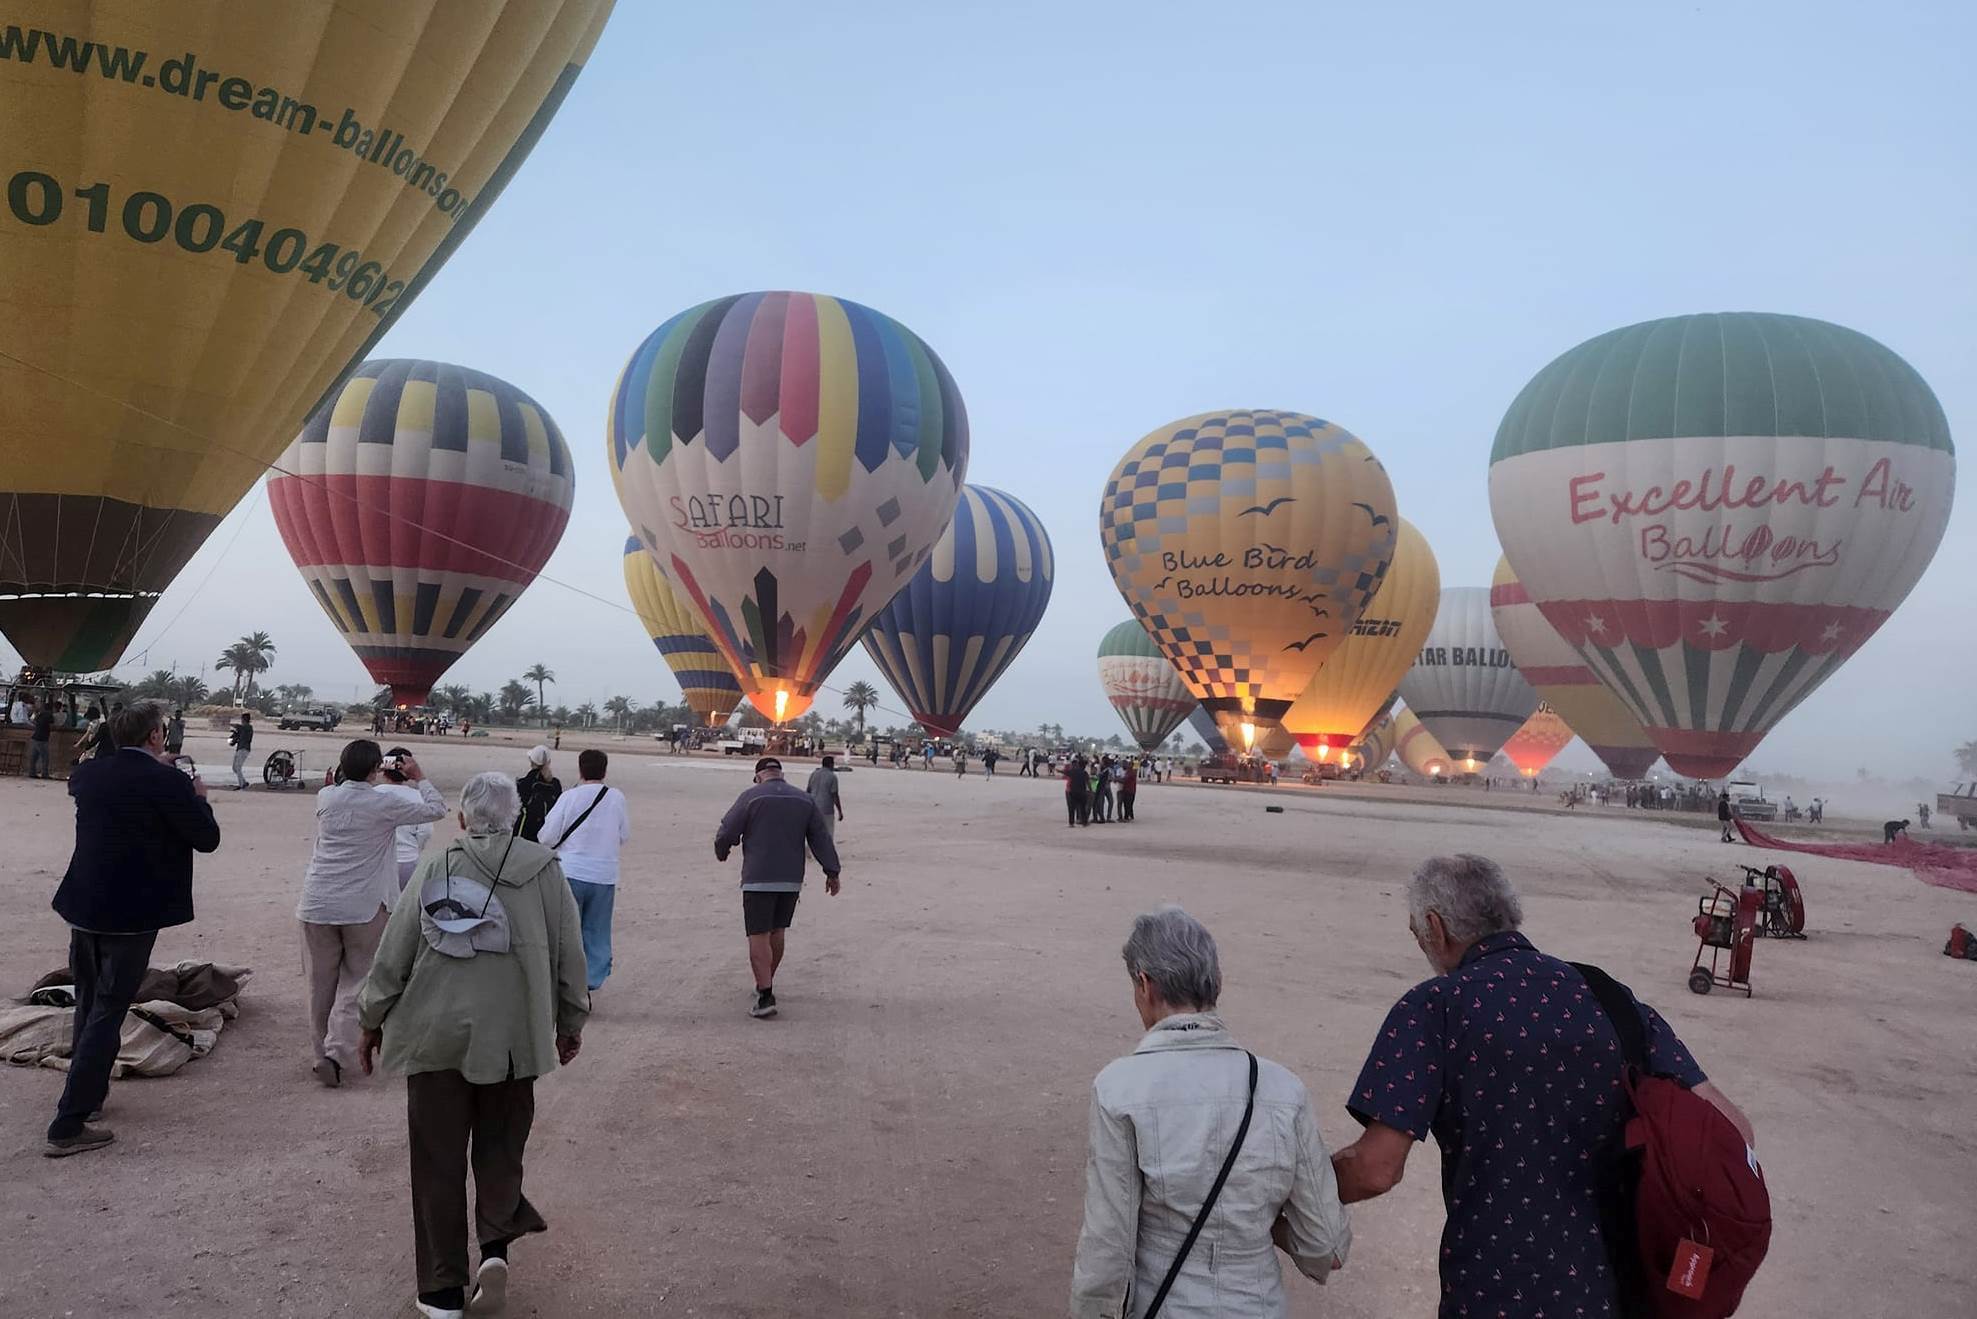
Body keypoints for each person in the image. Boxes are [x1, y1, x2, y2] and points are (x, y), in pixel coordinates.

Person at [1331, 854, 1752, 1318]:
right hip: (1622, 1293)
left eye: (1417, 932)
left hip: (1495, 1293)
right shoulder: (1610, 997)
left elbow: (1375, 1169)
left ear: (1435, 927)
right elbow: (1733, 1131)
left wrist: (1294, 1189)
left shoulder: (1436, 1007)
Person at [357, 772, 589, 1319]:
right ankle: (496, 1252)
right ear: (516, 819)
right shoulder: (547, 872)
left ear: (462, 819)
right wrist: (570, 1022)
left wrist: (371, 1019)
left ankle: (440, 1293)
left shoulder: (437, 864)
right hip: (513, 1041)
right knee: (501, 1151)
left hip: (435, 1038)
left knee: (437, 1162)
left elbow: (395, 954)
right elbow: (569, 955)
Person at [1071, 906, 1349, 1315]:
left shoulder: (1120, 1088)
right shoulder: (1282, 1089)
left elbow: (1108, 1244)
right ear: (1217, 982)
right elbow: (1326, 1246)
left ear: (1144, 984)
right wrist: (1256, 1222)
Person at [45, 702, 221, 1156]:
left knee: (88, 996)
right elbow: (206, 839)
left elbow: (118, 784)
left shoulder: (89, 774)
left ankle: (91, 1092)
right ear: (156, 736)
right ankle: (68, 1122)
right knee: (109, 1007)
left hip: (83, 902)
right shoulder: (170, 782)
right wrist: (198, 798)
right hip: (132, 912)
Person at [299, 740, 447, 1087]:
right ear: (375, 768)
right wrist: (418, 775)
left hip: (317, 901)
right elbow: (437, 808)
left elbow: (342, 786)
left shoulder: (327, 798)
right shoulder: (385, 802)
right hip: (362, 906)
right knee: (357, 981)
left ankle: (320, 1053)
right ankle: (337, 1052)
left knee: (320, 984)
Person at [713, 756, 842, 1019]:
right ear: (780, 774)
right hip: (790, 878)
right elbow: (821, 838)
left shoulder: (751, 796)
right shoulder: (803, 800)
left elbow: (728, 830)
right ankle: (766, 982)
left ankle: (765, 993)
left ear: (758, 775)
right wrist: (832, 871)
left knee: (758, 934)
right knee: (777, 932)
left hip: (758, 877)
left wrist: (722, 849)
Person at [538, 749, 630, 994]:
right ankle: (589, 982)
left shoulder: (569, 797)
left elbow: (546, 837)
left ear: (580, 770)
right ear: (605, 770)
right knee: (596, 931)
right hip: (603, 875)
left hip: (570, 872)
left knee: (567, 932)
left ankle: (564, 981)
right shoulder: (616, 797)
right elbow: (624, 835)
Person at [375, 746, 436, 890]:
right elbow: (425, 831)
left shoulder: (374, 794)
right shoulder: (418, 797)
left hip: (379, 860)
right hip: (407, 859)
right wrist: (416, 847)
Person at [514, 746, 561, 842]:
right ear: (549, 761)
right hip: (547, 832)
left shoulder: (523, 783)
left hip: (525, 833)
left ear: (531, 761)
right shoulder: (555, 784)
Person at [806, 754, 845, 837]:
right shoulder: (832, 777)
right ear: (831, 764)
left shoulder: (814, 774)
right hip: (826, 810)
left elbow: (808, 791)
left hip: (813, 808)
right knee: (828, 834)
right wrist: (840, 811)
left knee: (814, 833)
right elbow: (835, 795)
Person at [28, 697, 56, 779]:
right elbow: (52, 725)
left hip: (35, 736)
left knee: (34, 757)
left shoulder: (39, 714)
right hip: (43, 738)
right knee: (45, 757)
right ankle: (45, 774)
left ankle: (32, 772)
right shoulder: (49, 715)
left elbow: (33, 721)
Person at [228, 710, 254, 789]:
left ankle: (241, 785)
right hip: (240, 749)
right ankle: (244, 782)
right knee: (235, 768)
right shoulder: (243, 729)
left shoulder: (248, 727)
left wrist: (230, 724)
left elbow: (239, 727)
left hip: (244, 749)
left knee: (238, 767)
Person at [1065, 755, 1090, 828]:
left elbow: (1065, 772)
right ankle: (1084, 823)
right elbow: (1088, 782)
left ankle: (1071, 823)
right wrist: (1090, 790)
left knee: (1072, 808)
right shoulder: (1085, 773)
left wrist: (1059, 771)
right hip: (1082, 792)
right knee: (1082, 808)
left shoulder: (1073, 771)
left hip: (1073, 792)